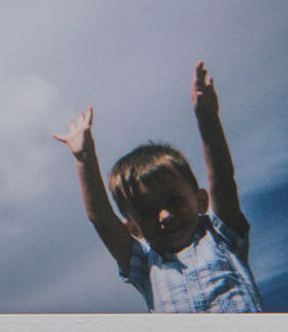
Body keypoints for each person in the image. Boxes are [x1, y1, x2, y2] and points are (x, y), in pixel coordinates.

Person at [53, 62, 264, 312]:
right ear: (133, 228)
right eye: (147, 212)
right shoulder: (144, 264)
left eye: (174, 201)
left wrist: (208, 119)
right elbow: (102, 219)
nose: (164, 216)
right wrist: (83, 157)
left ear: (199, 201)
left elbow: (223, 181)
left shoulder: (221, 238)